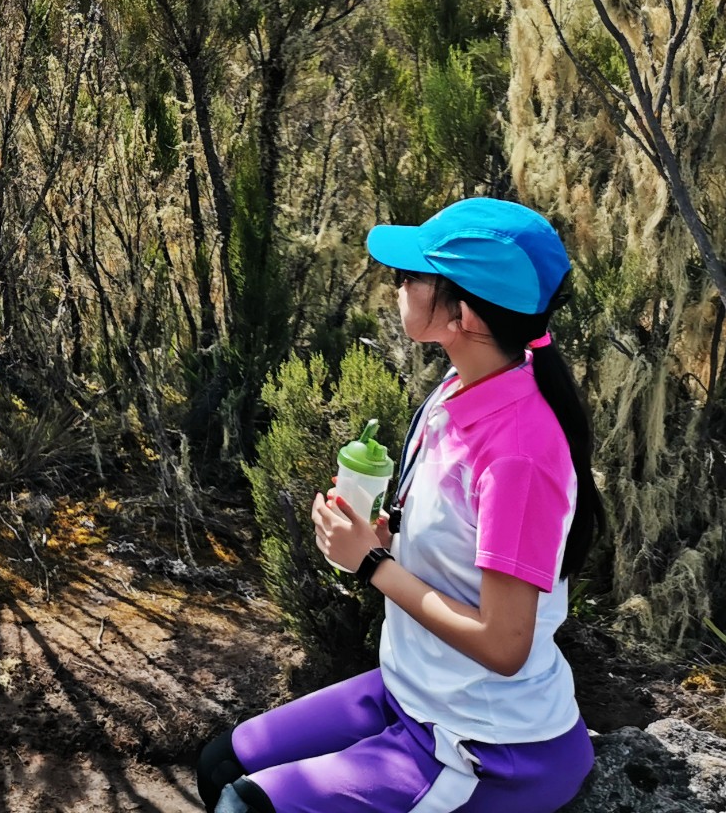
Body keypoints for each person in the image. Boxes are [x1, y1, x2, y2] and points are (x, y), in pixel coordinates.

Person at [198, 198, 601, 813]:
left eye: (412, 276)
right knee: (220, 763)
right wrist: (387, 537)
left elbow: (504, 644)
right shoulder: (456, 389)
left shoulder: (519, 452)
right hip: (412, 690)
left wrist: (373, 566)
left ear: (461, 313)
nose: (398, 284)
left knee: (241, 808)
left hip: (481, 747)